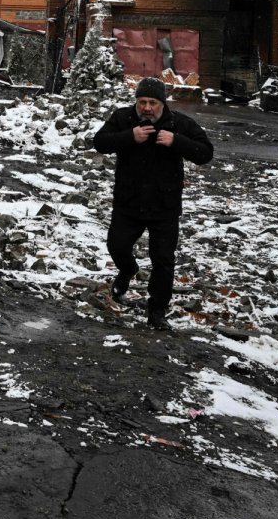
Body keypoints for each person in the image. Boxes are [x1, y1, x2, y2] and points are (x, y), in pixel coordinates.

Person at [91, 77, 213, 331]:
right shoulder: (123, 118)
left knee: (163, 261)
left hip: (164, 206)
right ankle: (128, 269)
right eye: (142, 102)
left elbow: (206, 153)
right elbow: (100, 143)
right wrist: (128, 137)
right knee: (117, 246)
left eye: (153, 103)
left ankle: (157, 311)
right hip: (129, 202)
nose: (147, 107)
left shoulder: (178, 123)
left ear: (162, 103)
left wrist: (176, 141)